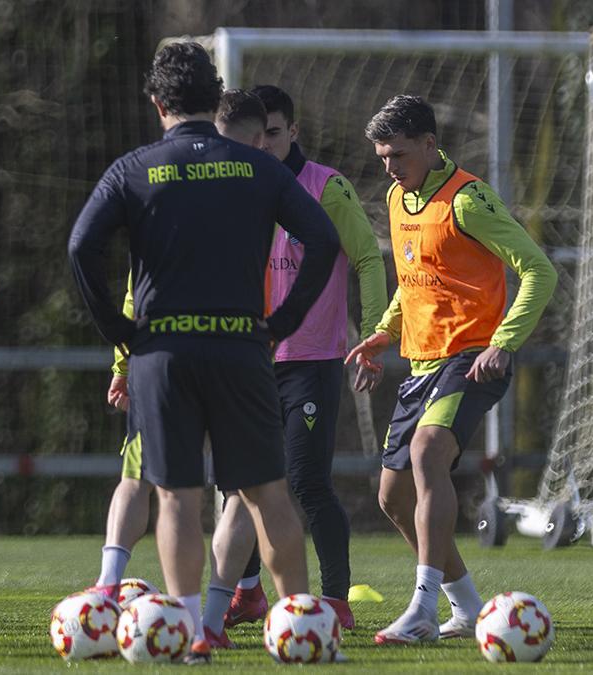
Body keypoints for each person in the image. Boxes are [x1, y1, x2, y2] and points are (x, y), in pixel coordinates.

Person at [69, 42, 339, 663]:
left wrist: (121, 331)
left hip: (162, 353)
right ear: (215, 100)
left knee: (176, 496)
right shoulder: (258, 166)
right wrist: (282, 322)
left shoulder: (133, 168)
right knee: (269, 491)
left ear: (158, 103)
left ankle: (192, 635)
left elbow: (82, 247)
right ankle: (304, 633)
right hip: (243, 346)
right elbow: (322, 241)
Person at [348, 95, 556, 645]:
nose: (389, 167)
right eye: (382, 157)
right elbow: (414, 278)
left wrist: (504, 343)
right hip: (421, 363)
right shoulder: (397, 198)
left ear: (429, 145)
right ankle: (466, 607)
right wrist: (386, 332)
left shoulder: (468, 199)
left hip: (472, 357)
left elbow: (538, 270)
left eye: (397, 155)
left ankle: (419, 609)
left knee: (427, 452)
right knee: (392, 497)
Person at [199, 84, 389, 646]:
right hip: (249, 361)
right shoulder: (235, 188)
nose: (264, 146)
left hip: (312, 360)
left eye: (274, 135)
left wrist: (378, 334)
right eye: (256, 138)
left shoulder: (326, 188)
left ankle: (334, 600)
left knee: (305, 482)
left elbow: (367, 261)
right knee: (241, 485)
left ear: (292, 132)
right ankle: (249, 590)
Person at [91, 88, 270, 600]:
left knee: (209, 491)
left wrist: (125, 350)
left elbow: (94, 254)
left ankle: (203, 609)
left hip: (192, 356)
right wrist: (123, 357)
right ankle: (193, 609)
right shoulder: (246, 181)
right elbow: (134, 284)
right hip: (221, 353)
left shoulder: (157, 175)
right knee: (226, 486)